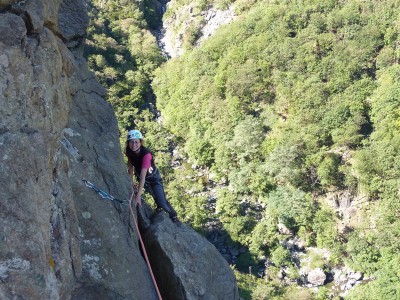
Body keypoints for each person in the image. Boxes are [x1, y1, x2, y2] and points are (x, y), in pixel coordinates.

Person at [125, 129, 180, 225]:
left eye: (136, 142)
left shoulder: (146, 155)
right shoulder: (129, 151)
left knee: (162, 201)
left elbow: (143, 176)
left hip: (154, 179)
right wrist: (131, 182)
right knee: (153, 195)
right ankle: (158, 206)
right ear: (128, 143)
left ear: (141, 142)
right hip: (144, 179)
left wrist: (138, 196)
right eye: (131, 142)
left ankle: (173, 216)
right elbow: (130, 167)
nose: (134, 145)